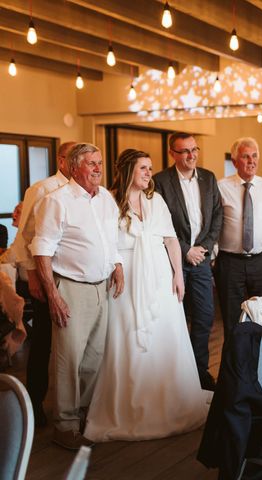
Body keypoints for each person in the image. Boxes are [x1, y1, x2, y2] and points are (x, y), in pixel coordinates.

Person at [84, 149, 209, 442]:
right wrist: (115, 266)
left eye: (150, 168)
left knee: (164, 334)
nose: (149, 173)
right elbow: (103, 242)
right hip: (125, 276)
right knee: (127, 337)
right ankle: (129, 405)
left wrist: (178, 274)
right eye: (143, 168)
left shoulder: (156, 200)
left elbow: (171, 240)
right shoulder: (108, 200)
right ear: (129, 169)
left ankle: (169, 400)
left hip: (159, 275)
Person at [31, 143, 124, 450]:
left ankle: (83, 415)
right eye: (91, 164)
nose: (98, 168)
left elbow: (112, 239)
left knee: (94, 358)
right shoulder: (56, 201)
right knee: (67, 359)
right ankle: (65, 425)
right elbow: (41, 250)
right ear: (73, 168)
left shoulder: (106, 198)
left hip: (101, 287)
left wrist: (117, 266)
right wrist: (53, 295)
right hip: (70, 286)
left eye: (99, 162)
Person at [153, 132, 222, 392]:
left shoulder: (209, 177)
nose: (191, 155)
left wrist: (203, 248)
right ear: (172, 153)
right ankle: (178, 375)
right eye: (184, 151)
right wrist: (185, 251)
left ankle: (199, 371)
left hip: (201, 260)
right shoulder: (161, 181)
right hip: (173, 261)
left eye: (194, 149)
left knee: (204, 316)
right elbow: (159, 223)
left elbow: (217, 216)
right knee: (177, 319)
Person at [14, 141, 75, 427]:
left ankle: (73, 403)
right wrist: (35, 277)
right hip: (45, 275)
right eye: (78, 157)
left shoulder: (85, 190)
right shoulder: (41, 189)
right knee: (43, 344)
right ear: (62, 160)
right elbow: (24, 237)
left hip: (75, 276)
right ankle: (35, 404)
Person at [214, 137, 262, 336]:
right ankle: (234, 366)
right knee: (231, 320)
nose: (251, 161)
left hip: (260, 262)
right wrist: (213, 259)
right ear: (235, 161)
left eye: (254, 156)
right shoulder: (221, 187)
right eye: (245, 157)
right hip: (230, 263)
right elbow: (214, 226)